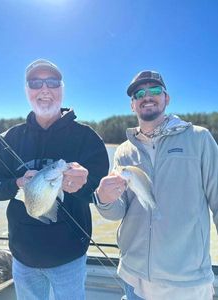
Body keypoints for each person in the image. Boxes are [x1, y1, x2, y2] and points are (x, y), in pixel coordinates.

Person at [93, 70, 218, 300]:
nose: (147, 96)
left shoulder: (199, 138)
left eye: (155, 90)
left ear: (166, 98)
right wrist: (103, 198)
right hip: (133, 278)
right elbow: (118, 211)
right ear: (133, 105)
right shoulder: (123, 151)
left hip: (186, 283)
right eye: (139, 93)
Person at [0, 58, 109, 300]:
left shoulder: (87, 138)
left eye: (52, 82)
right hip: (22, 257)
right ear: (27, 91)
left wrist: (84, 184)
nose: (44, 89)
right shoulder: (8, 140)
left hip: (70, 257)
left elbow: (102, 193)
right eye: (35, 82)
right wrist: (15, 184)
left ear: (62, 90)